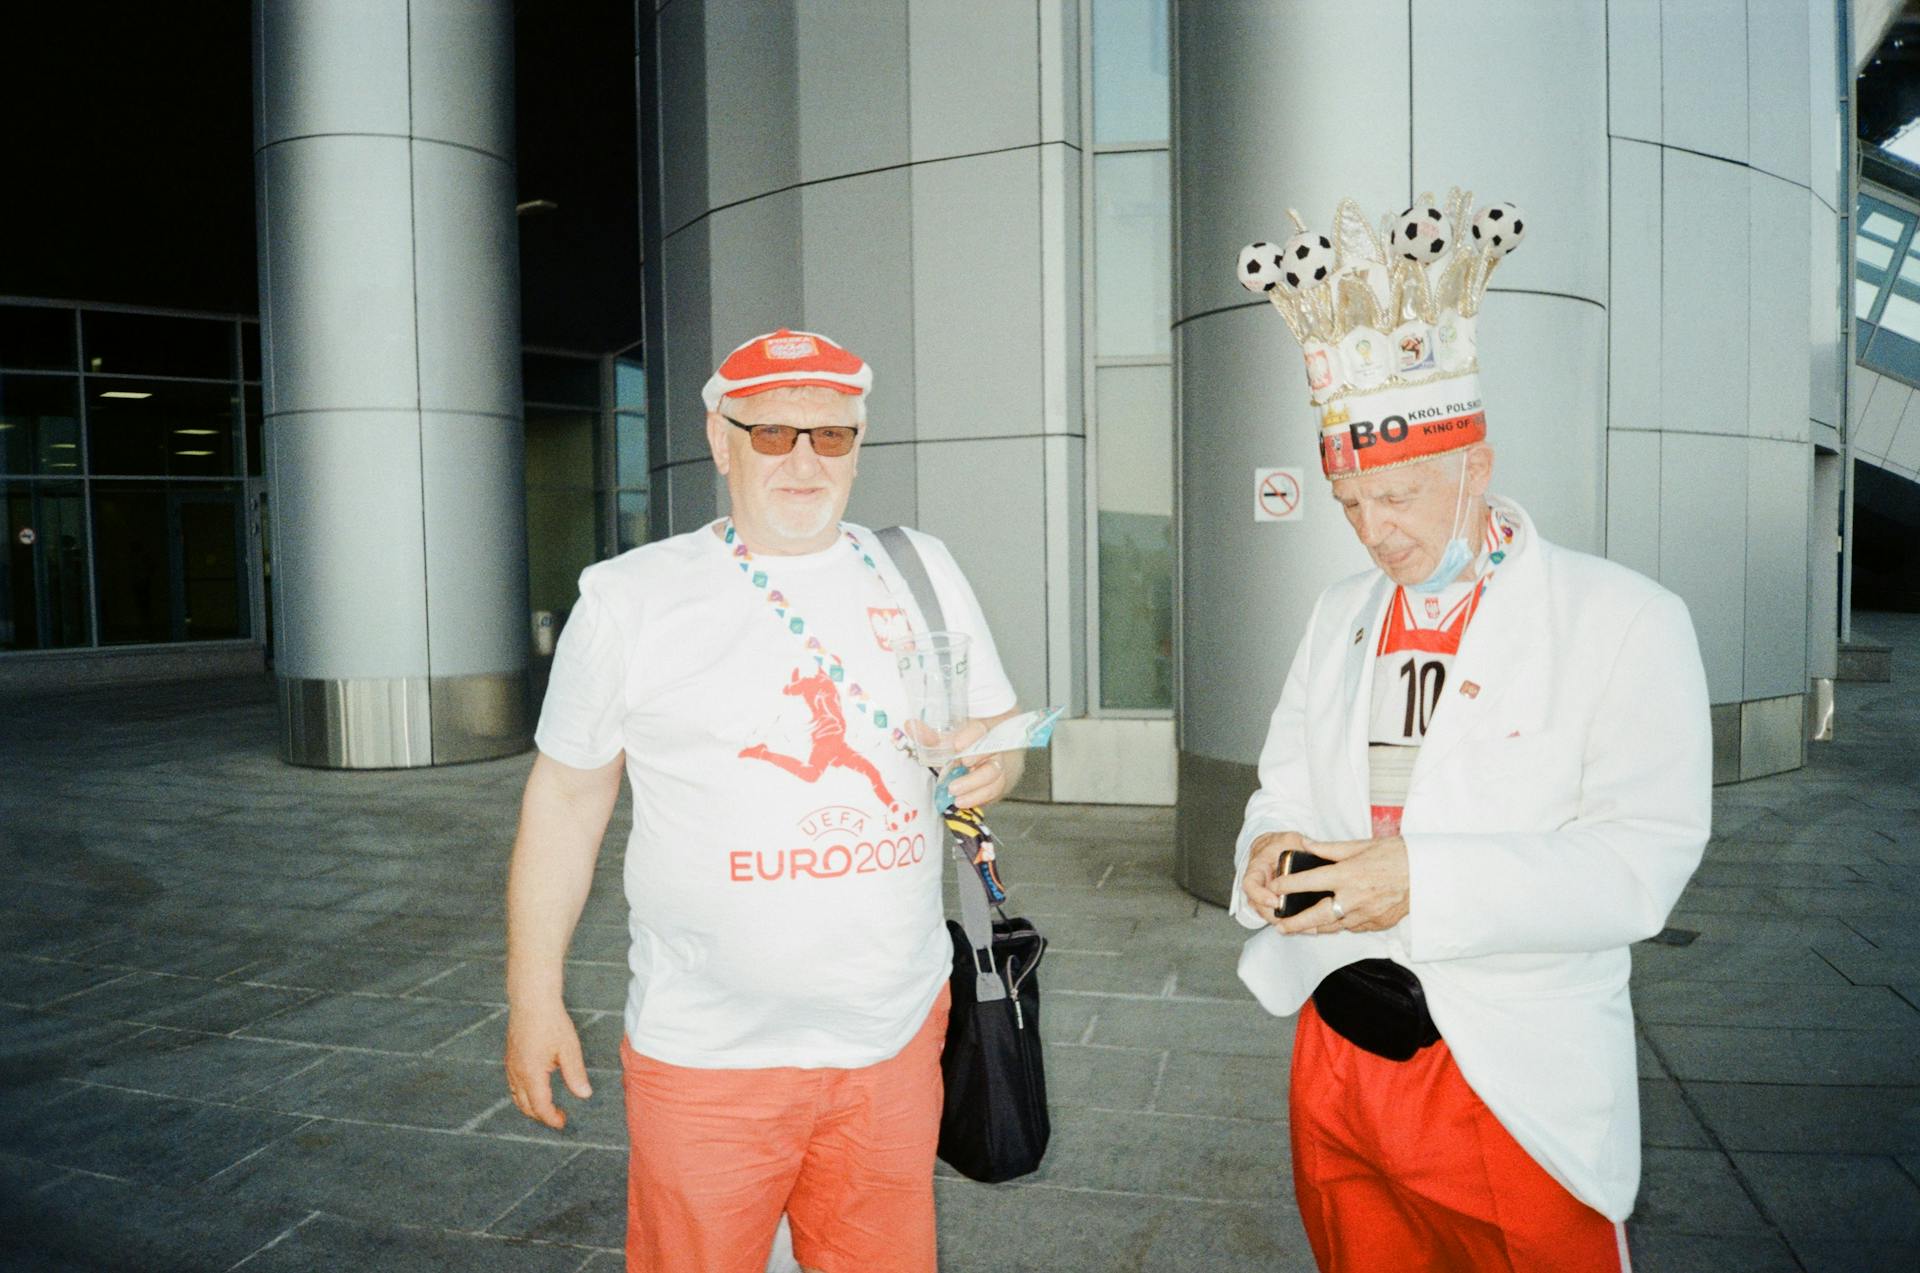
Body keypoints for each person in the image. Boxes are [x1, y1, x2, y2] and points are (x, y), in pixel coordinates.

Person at [1229, 192, 1712, 1271]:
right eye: (1349, 502)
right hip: (1336, 1047)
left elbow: (1642, 864)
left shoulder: (1625, 620)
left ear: (1476, 466)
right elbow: (1280, 786)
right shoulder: (1339, 613)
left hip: (1505, 1067)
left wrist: (1423, 882)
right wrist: (1262, 854)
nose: (1373, 530)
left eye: (1397, 495)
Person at [504, 328, 1022, 1273]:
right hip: (707, 1054)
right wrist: (533, 995)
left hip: (892, 1036)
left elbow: (993, 726)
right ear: (719, 436)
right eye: (774, 431)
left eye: (832, 437)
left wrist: (995, 766)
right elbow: (566, 804)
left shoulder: (920, 569)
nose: (803, 460)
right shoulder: (630, 598)